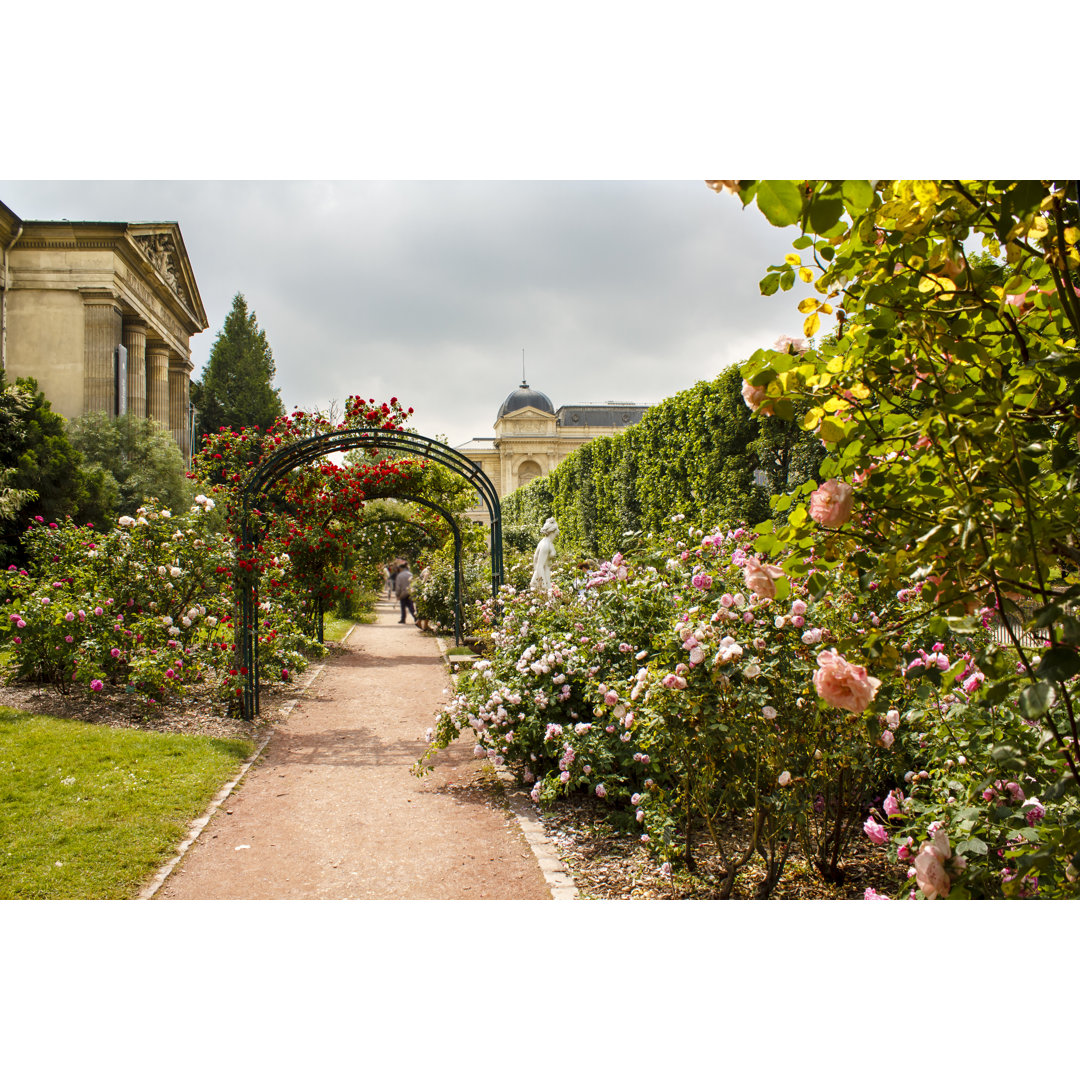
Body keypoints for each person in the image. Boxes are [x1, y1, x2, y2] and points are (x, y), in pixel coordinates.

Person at [530, 517, 559, 594]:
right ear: (553, 531)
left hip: (546, 575)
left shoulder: (549, 543)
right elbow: (539, 566)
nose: (558, 531)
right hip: (541, 578)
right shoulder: (545, 545)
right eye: (557, 529)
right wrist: (544, 585)